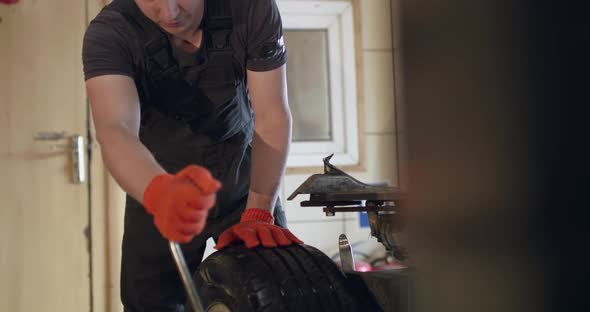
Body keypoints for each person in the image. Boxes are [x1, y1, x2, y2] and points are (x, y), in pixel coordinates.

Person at [82, 0, 303, 310]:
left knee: (272, 295)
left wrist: (259, 210)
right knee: (150, 304)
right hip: (159, 185)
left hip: (245, 182)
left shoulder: (250, 9)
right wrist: (158, 192)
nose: (169, 13)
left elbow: (272, 115)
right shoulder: (111, 33)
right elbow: (115, 130)